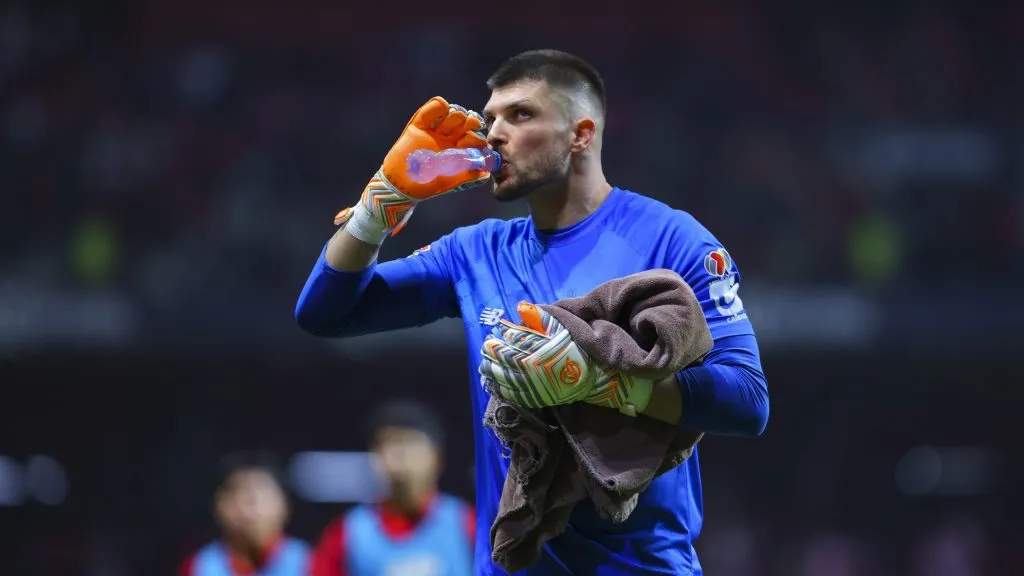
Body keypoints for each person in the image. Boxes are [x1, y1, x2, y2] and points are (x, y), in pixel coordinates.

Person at [295, 48, 770, 575]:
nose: (494, 134)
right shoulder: (475, 252)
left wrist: (600, 382)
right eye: (491, 118)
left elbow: (748, 400)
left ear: (580, 135)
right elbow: (325, 313)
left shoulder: (672, 240)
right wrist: (381, 205)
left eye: (520, 115)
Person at [310, 398, 474, 576]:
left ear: (437, 457)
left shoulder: (469, 525)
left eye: (411, 442)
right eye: (391, 443)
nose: (400, 454)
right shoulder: (347, 534)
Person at [180, 451, 310, 575]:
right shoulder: (199, 566)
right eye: (237, 496)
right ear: (217, 505)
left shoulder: (310, 562)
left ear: (284, 504)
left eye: (258, 497)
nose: (247, 510)